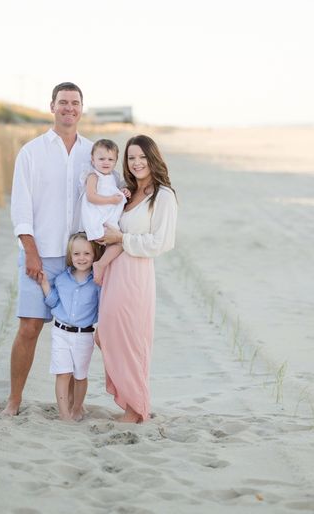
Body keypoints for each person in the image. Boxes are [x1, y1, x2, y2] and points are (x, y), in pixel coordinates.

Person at [2, 82, 93, 416]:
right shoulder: (32, 152)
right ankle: (14, 400)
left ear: (82, 108)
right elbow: (21, 207)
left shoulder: (92, 152)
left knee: (75, 333)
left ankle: (68, 405)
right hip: (41, 255)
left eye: (75, 103)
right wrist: (30, 250)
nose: (69, 108)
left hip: (81, 261)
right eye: (63, 102)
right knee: (29, 328)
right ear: (52, 106)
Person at [95, 135, 178, 423]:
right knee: (106, 333)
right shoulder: (127, 192)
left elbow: (162, 242)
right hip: (114, 271)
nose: (137, 162)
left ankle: (136, 407)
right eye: (131, 158)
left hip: (136, 274)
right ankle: (129, 400)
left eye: (142, 157)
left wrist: (122, 238)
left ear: (152, 158)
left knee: (131, 338)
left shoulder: (163, 196)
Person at [38, 232, 101, 421]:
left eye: (87, 254)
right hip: (60, 332)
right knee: (62, 373)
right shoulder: (62, 279)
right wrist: (44, 284)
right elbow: (54, 302)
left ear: (94, 255)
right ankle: (64, 414)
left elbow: (102, 308)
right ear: (70, 256)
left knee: (80, 376)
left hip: (84, 335)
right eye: (76, 254)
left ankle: (77, 408)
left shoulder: (97, 282)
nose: (81, 258)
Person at [79, 138, 128, 284]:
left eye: (110, 159)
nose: (106, 162)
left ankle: (103, 268)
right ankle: (99, 266)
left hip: (107, 215)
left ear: (115, 161)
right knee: (119, 243)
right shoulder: (93, 176)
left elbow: (113, 192)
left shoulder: (113, 177)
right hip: (96, 218)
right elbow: (91, 196)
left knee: (117, 242)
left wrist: (123, 192)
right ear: (93, 160)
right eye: (101, 159)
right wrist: (111, 200)